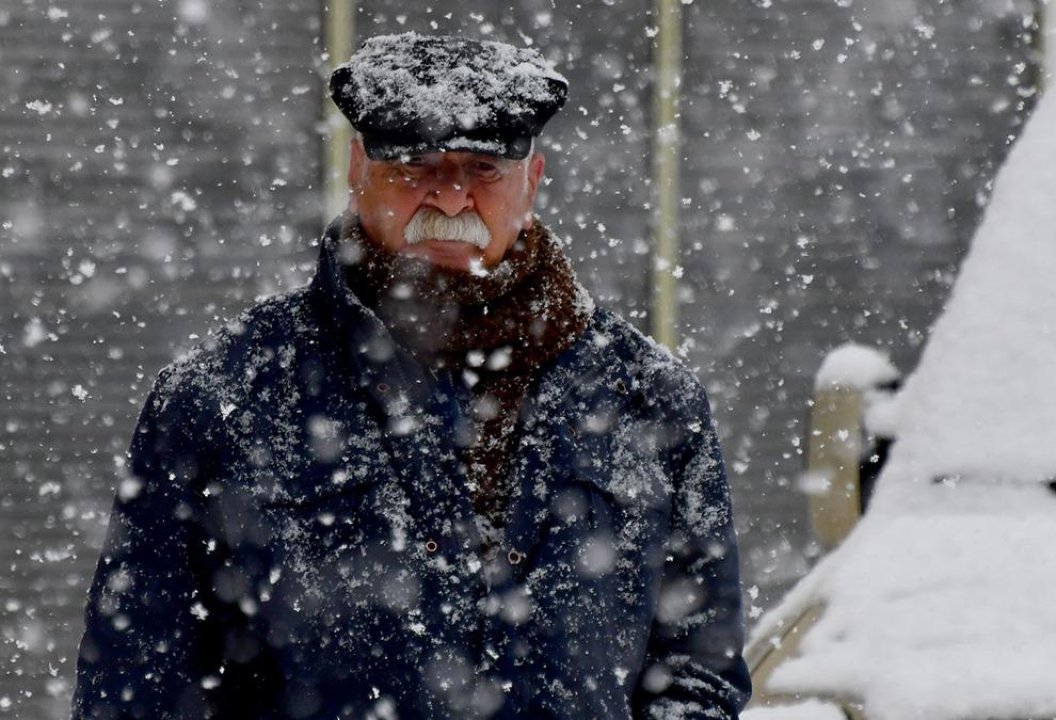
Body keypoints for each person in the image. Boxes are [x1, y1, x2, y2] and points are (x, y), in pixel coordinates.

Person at [71, 32, 750, 719]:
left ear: (532, 181)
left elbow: (698, 675)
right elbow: (137, 687)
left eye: (484, 168)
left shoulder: (652, 400)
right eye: (416, 163)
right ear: (357, 167)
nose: (451, 199)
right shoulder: (222, 399)